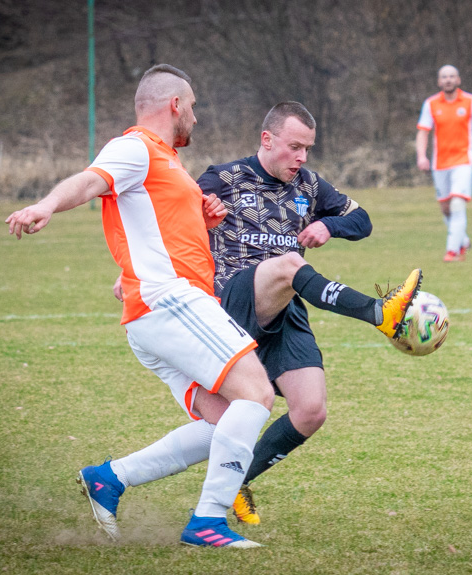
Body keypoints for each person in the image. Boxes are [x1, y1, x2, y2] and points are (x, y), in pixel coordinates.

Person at [114, 101, 423, 525]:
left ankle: (236, 481)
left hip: (286, 305)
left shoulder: (310, 186)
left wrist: (329, 226)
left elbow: (362, 219)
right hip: (231, 300)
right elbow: (166, 222)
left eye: (308, 149)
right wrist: (134, 272)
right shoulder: (223, 178)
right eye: (294, 147)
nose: (302, 158)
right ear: (267, 139)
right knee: (289, 265)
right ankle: (380, 313)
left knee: (311, 410)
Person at [6, 64, 275, 549]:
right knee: (256, 394)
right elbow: (90, 181)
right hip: (172, 303)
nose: (195, 116)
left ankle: (110, 478)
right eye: (192, 106)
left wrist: (203, 223)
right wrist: (46, 205)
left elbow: (151, 234)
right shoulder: (135, 148)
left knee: (224, 420)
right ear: (175, 104)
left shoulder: (168, 163)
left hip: (153, 312)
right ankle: (208, 522)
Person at [416, 65, 472, 262]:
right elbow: (423, 131)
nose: (448, 80)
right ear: (439, 82)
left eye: (452, 76)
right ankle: (463, 241)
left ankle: (453, 251)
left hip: (464, 160)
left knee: (457, 203)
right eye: (444, 77)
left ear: (458, 80)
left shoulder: (471, 102)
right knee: (446, 209)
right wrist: (421, 156)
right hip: (440, 162)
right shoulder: (431, 104)